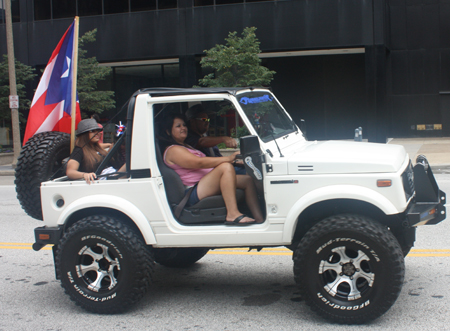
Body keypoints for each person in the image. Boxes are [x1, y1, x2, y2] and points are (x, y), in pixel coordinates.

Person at [161, 113, 264, 226]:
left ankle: (259, 219)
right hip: (194, 190)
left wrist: (234, 161)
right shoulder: (173, 150)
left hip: (205, 184)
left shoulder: (185, 147)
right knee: (225, 167)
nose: (183, 128)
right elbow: (198, 163)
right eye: (178, 126)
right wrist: (229, 159)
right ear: (168, 131)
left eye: (184, 125)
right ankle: (232, 214)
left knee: (247, 180)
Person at [185, 104, 245, 174]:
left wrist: (235, 162)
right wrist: (223, 139)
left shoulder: (205, 135)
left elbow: (217, 157)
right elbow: (201, 142)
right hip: (211, 173)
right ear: (192, 121)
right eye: (204, 119)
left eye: (208, 119)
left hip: (221, 167)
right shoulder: (189, 138)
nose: (207, 122)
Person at [66, 119, 124, 184]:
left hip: (113, 178)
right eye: (92, 131)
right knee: (129, 164)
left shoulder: (98, 148)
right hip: (101, 182)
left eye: (98, 130)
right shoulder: (79, 150)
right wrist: (84, 175)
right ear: (84, 134)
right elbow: (70, 172)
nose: (97, 133)